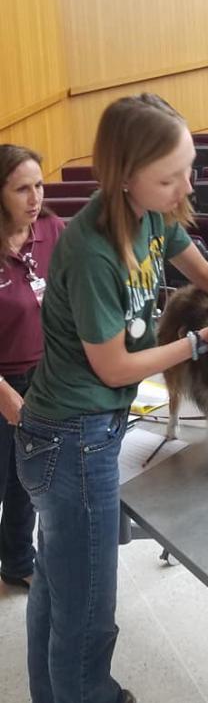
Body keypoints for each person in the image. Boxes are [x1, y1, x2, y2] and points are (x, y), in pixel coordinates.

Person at [16, 94, 208, 703]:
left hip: (79, 429)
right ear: (125, 175)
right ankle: (87, 699)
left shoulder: (152, 213)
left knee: (59, 584)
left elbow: (203, 274)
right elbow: (116, 365)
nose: (184, 187)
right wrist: (202, 340)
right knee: (89, 607)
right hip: (71, 438)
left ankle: (57, 698)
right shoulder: (93, 248)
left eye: (188, 168)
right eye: (168, 176)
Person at [0, 144, 64, 592]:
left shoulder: (53, 230)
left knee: (28, 482)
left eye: (39, 185)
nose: (34, 197)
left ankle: (18, 560)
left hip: (45, 379)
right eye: (22, 188)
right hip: (3, 381)